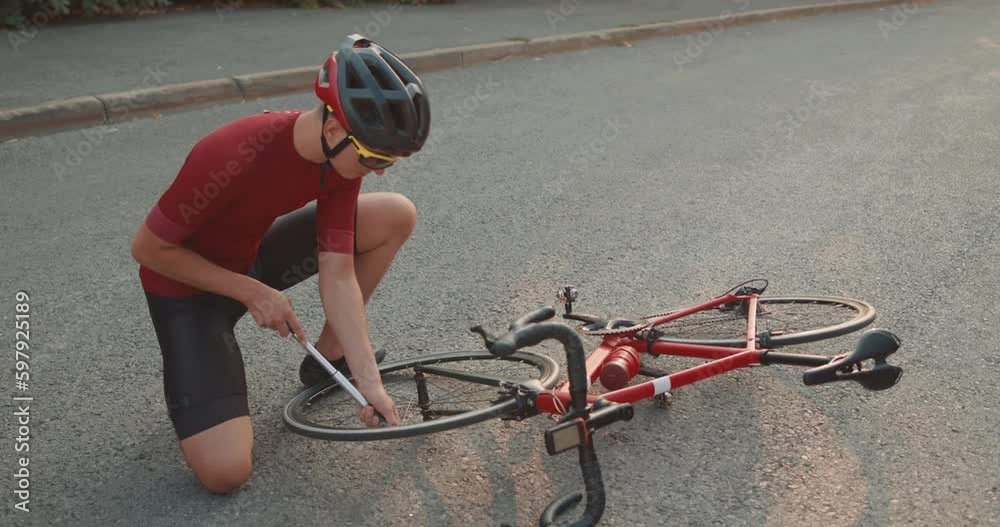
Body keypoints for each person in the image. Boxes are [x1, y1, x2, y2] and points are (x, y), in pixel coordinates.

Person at [129, 34, 430, 494]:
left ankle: (331, 357)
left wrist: (369, 380)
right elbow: (148, 250)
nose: (380, 170)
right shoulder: (233, 150)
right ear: (334, 131)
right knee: (227, 473)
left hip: (250, 259)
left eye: (389, 159)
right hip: (186, 290)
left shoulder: (339, 162)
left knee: (394, 213)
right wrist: (251, 292)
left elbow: (338, 273)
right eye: (375, 156)